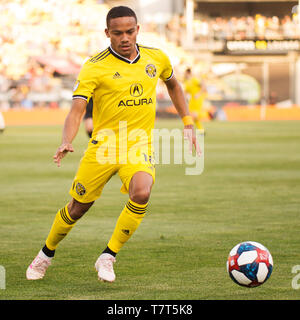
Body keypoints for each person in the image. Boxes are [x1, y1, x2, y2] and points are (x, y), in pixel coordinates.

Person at [26, 6, 200, 283]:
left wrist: (188, 121)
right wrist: (66, 140)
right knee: (77, 208)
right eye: (117, 33)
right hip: (103, 148)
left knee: (142, 192)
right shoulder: (95, 66)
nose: (125, 38)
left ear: (138, 30)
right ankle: (46, 254)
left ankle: (108, 256)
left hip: (138, 146)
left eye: (130, 31)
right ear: (107, 33)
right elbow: (76, 110)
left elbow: (174, 85)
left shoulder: (157, 58)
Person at [184, 68, 209, 133]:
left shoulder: (194, 80)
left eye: (185, 73)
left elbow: (203, 86)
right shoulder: (186, 82)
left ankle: (188, 129)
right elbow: (186, 91)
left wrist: (198, 94)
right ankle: (201, 130)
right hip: (192, 99)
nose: (184, 74)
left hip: (198, 99)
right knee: (192, 115)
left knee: (194, 115)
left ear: (188, 73)